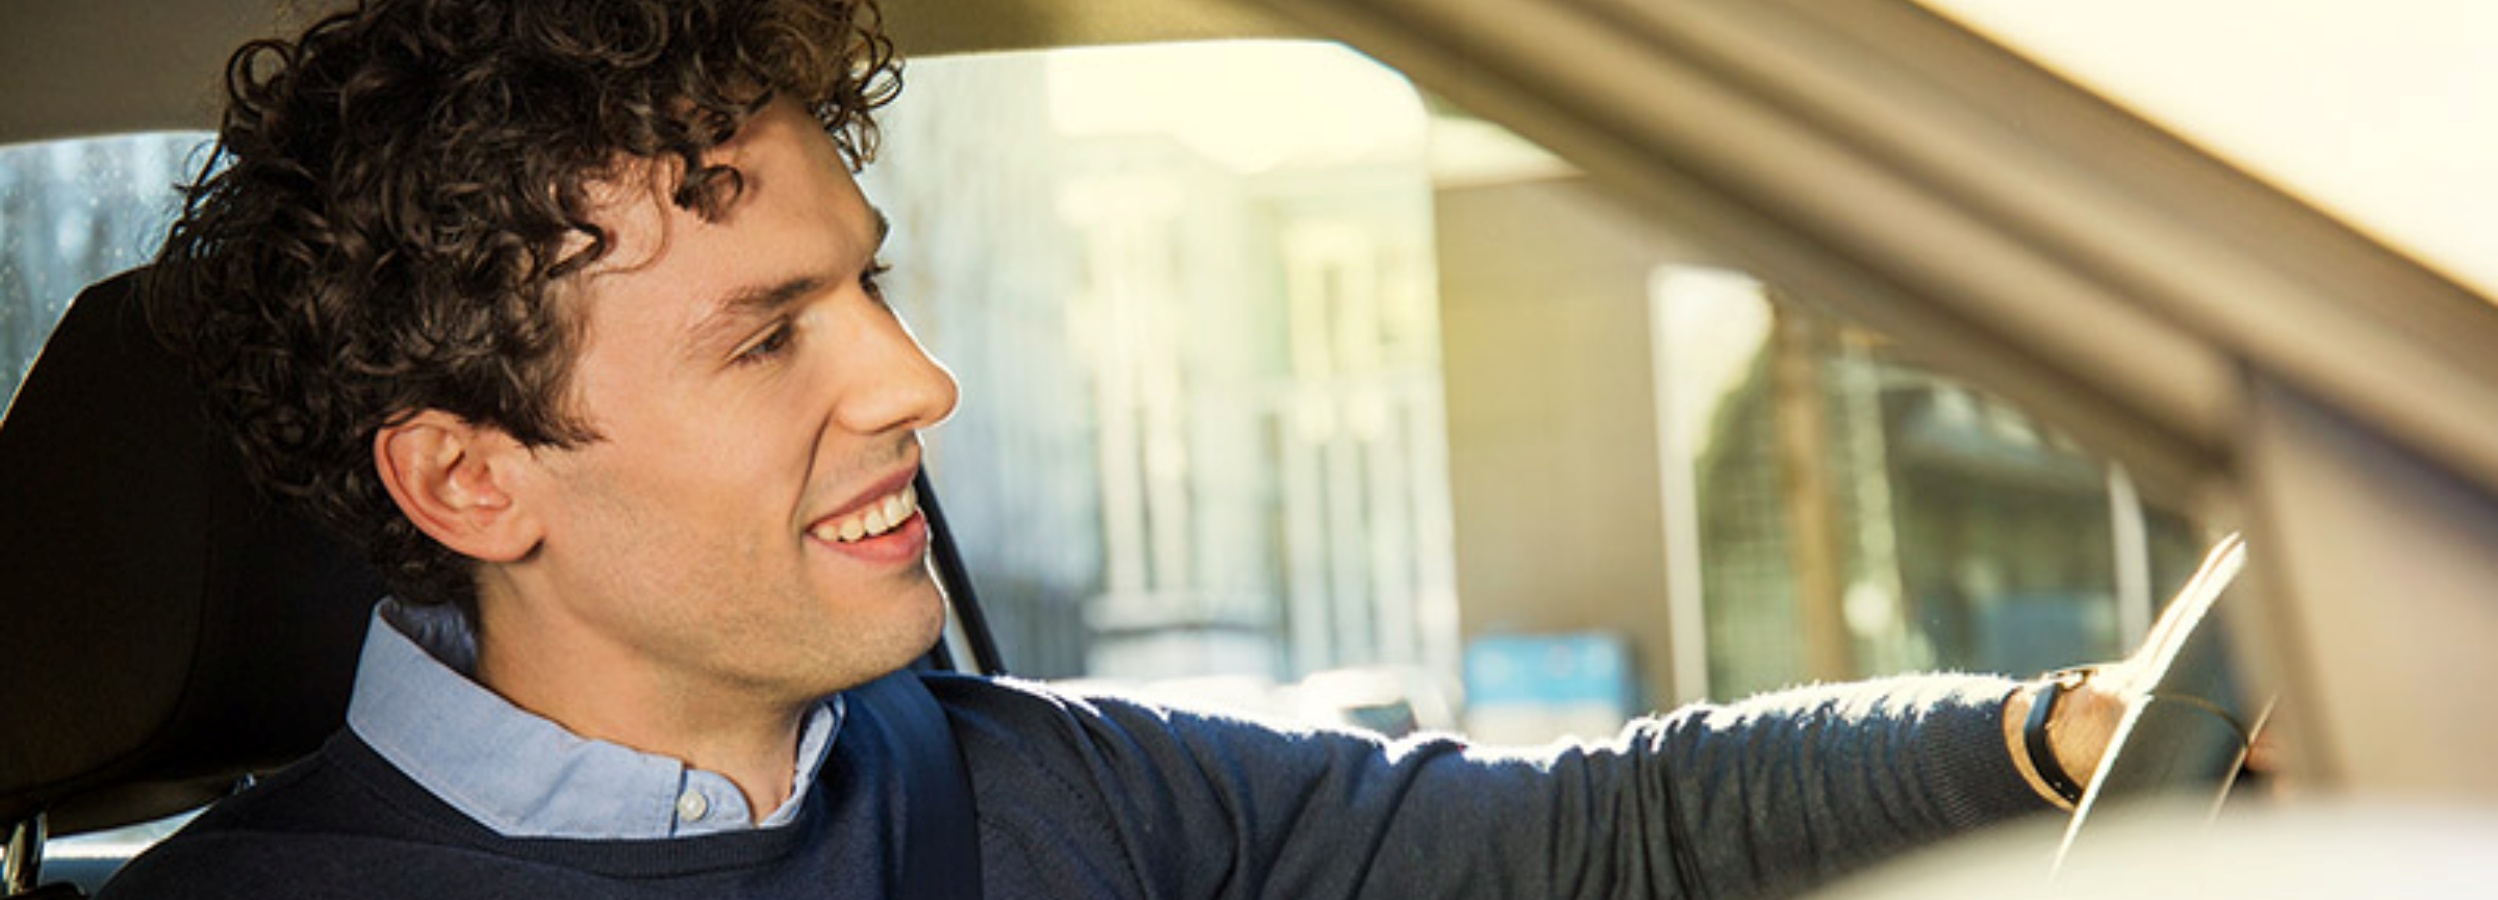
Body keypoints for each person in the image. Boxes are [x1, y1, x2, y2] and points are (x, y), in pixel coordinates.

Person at [99, 0, 2127, 897]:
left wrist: (2054, 738)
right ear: (471, 480)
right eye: (770, 333)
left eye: (866, 286)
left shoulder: (1038, 792)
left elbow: (1597, 841)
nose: (914, 382)